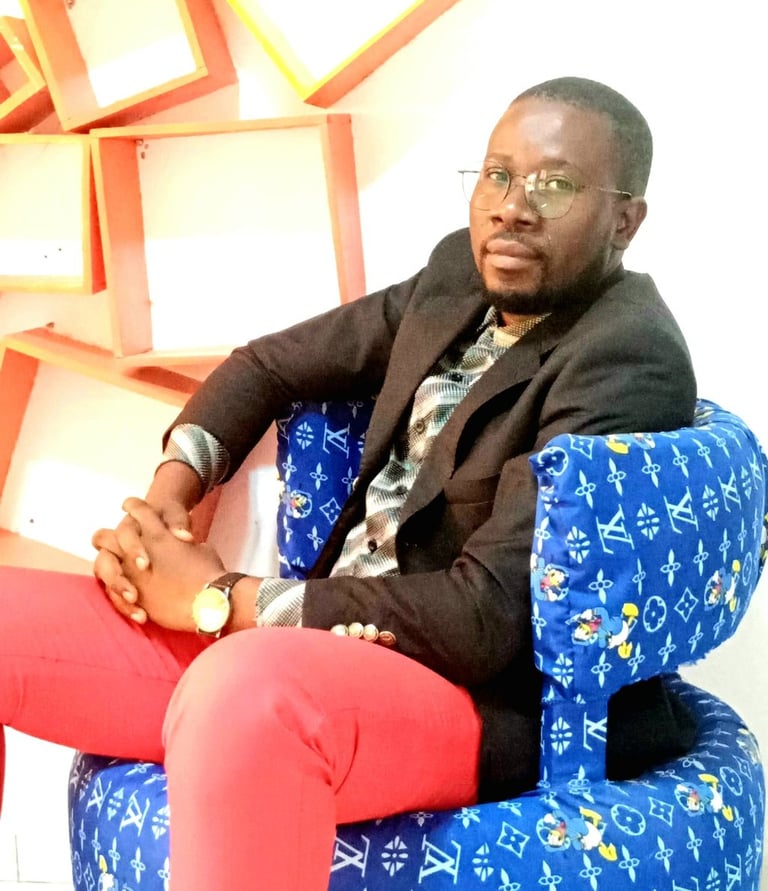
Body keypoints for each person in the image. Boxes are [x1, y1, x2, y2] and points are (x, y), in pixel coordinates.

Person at [0, 76, 697, 890]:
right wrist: (167, 505)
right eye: (498, 176)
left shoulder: (627, 359)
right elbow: (267, 365)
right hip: (323, 639)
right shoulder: (459, 276)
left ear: (625, 220)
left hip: (466, 691)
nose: (512, 208)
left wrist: (222, 598)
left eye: (554, 185)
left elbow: (487, 617)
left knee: (245, 693)